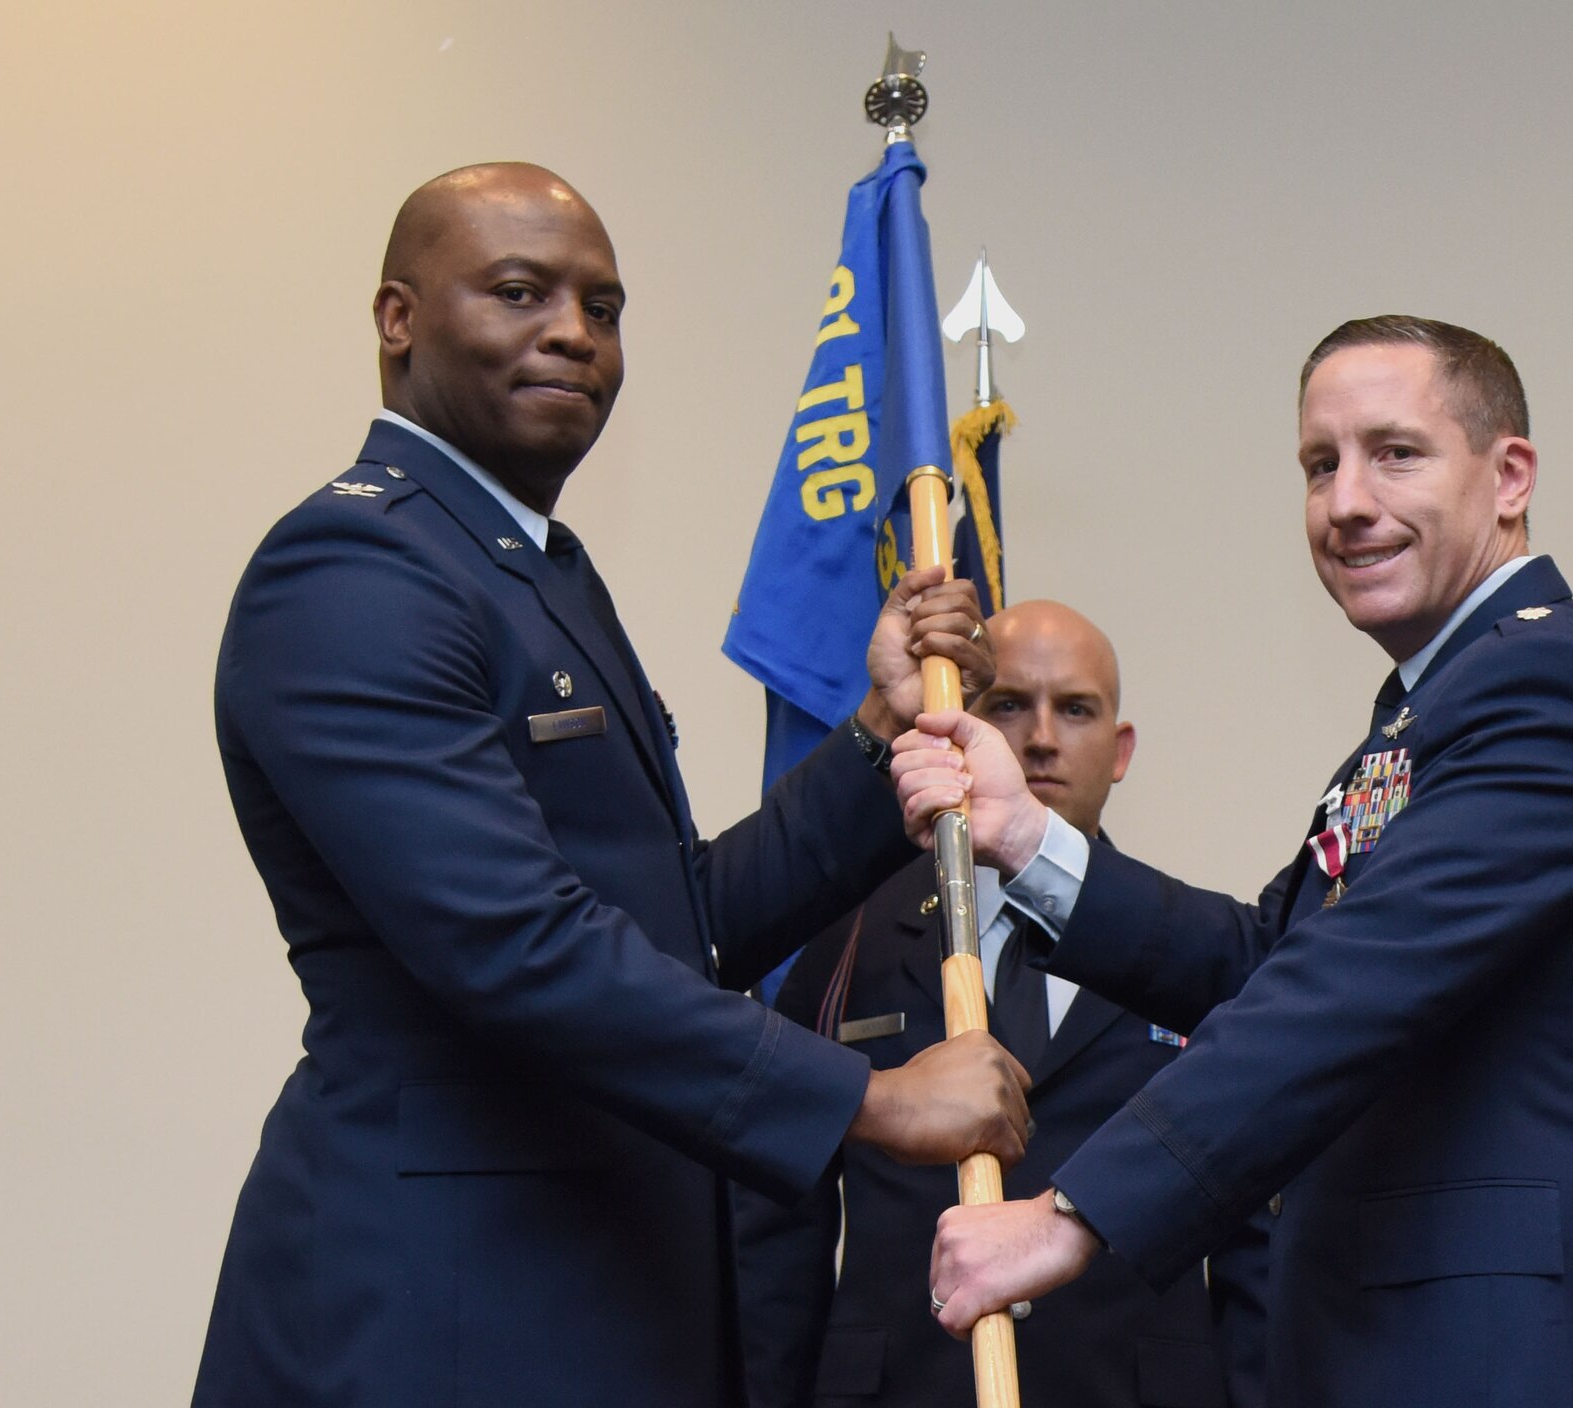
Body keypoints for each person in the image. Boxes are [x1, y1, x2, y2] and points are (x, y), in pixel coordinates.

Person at [192, 162, 1033, 1408]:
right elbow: (516, 944)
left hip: (594, 1289)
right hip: (441, 1307)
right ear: (398, 318)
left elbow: (674, 926)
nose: (573, 336)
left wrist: (872, 737)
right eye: (520, 293)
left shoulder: (530, 569)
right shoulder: (354, 563)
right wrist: (868, 1096)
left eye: (604, 307)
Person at [897, 317, 1573, 1408]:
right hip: (1387, 1348)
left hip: (1494, 1362)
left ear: (1507, 475)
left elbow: (1345, 992)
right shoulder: (1437, 706)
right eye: (1318, 464)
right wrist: (1025, 837)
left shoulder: (1551, 693)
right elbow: (1272, 960)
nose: (1345, 502)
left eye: (1395, 452)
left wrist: (1067, 1213)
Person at [734, 600, 1269, 1408]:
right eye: (1009, 704)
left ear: (1121, 750)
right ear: (958, 725)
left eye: (1076, 709)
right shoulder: (849, 945)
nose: (1042, 737)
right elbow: (779, 1226)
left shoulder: (1188, 950)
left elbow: (1252, 1235)